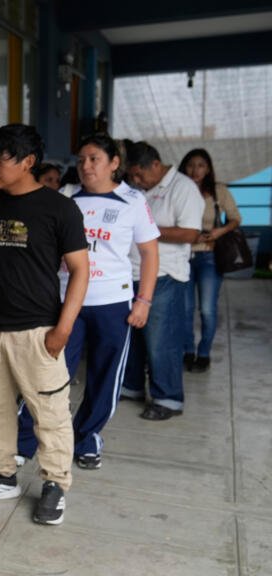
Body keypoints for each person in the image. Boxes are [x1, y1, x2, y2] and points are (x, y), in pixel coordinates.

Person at [0, 123, 89, 526]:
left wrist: (63, 328)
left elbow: (80, 270)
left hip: (38, 331)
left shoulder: (59, 208)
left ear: (28, 162)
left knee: (50, 413)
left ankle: (55, 484)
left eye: (2, 159)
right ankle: (2, 476)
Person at [17, 133, 160, 471]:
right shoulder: (66, 197)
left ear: (114, 163)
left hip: (113, 302)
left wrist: (144, 300)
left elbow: (149, 253)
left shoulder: (133, 201)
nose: (86, 166)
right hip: (67, 301)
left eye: (94, 159)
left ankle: (86, 438)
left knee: (105, 375)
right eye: (81, 159)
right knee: (49, 371)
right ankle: (24, 441)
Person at [123, 141, 204, 420]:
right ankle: (131, 386)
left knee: (161, 340)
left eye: (139, 174)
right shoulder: (137, 189)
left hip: (165, 276)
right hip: (131, 272)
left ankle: (168, 398)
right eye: (132, 175)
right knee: (132, 336)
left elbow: (190, 233)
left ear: (156, 165)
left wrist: (147, 229)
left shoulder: (183, 188)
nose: (135, 180)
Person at [179, 149, 242, 373]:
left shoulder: (218, 191)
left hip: (209, 256)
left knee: (207, 309)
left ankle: (204, 353)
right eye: (191, 165)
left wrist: (218, 232)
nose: (195, 170)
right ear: (184, 167)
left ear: (208, 169)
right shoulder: (179, 190)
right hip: (182, 256)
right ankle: (188, 351)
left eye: (201, 165)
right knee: (185, 309)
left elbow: (235, 218)